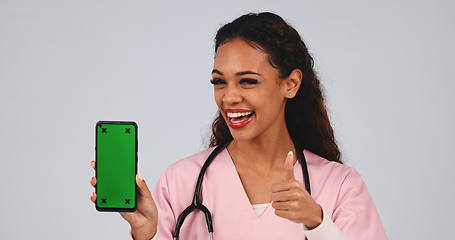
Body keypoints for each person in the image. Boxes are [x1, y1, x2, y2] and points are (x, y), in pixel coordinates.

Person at [89, 12, 388, 240]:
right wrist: (147, 235)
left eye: (248, 81)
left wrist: (318, 223)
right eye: (219, 82)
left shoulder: (339, 186)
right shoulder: (182, 182)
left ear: (291, 84)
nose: (229, 97)